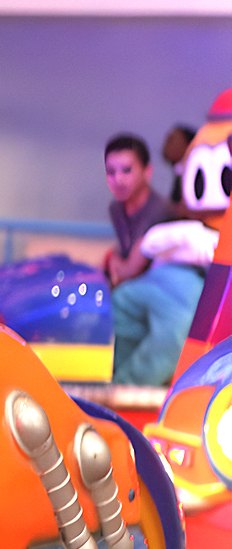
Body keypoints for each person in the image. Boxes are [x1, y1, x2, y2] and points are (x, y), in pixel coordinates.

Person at [102, 133, 204, 386]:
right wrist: (116, 262)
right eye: (111, 172)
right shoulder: (117, 210)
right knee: (121, 306)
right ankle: (118, 383)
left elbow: (132, 264)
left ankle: (128, 387)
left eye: (127, 170)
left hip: (170, 285)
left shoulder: (161, 211)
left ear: (147, 172)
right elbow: (125, 258)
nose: (119, 180)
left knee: (164, 337)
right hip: (139, 286)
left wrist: (120, 267)